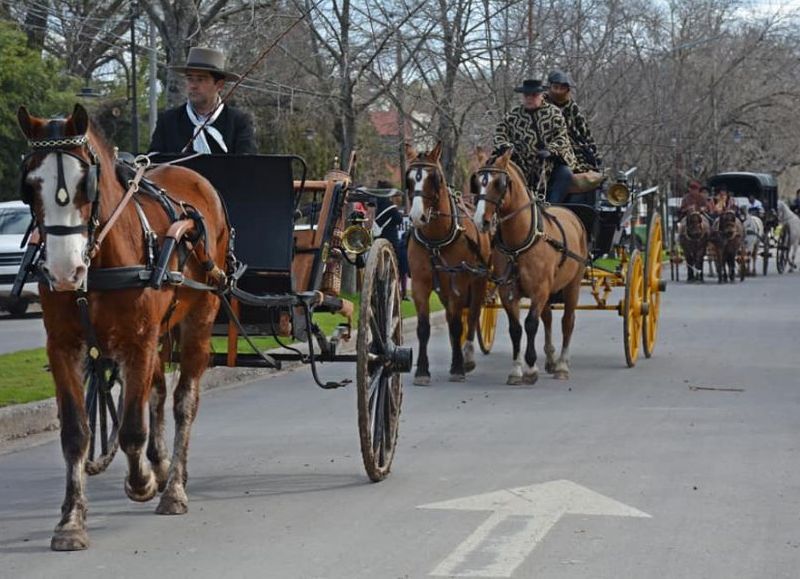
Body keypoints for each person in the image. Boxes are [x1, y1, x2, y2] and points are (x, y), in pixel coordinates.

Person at [149, 47, 256, 154]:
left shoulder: (239, 122)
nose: (193, 86)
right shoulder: (168, 120)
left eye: (201, 79)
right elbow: (154, 162)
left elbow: (247, 165)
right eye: (190, 79)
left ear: (219, 85)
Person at [493, 78, 579, 203]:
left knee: (565, 174)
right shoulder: (512, 116)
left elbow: (561, 137)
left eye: (533, 95)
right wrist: (507, 147)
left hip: (550, 164)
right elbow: (499, 134)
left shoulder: (553, 113)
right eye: (526, 95)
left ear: (540, 95)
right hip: (521, 163)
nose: (529, 98)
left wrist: (550, 150)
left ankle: (551, 207)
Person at [545, 70, 601, 172]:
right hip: (550, 149)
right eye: (555, 87)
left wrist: (595, 154)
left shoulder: (571, 107)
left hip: (575, 151)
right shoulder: (543, 105)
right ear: (550, 87)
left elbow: (584, 132)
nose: (558, 91)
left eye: (562, 88)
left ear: (567, 90)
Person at [372, 180, 409, 298]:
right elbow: (399, 220)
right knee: (399, 263)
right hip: (391, 240)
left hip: (379, 238)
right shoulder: (391, 206)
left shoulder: (378, 204)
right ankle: (398, 290)